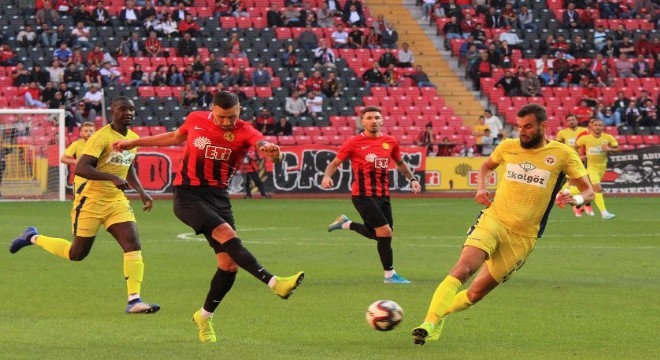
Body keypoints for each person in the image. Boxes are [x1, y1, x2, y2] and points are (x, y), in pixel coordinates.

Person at [111, 91, 304, 343]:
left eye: (232, 117)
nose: (227, 122)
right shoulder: (195, 119)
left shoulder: (246, 130)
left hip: (219, 197)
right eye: (222, 117)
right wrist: (135, 143)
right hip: (188, 194)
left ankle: (204, 316)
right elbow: (174, 137)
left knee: (228, 265)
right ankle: (274, 282)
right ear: (212, 109)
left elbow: (267, 149)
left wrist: (274, 152)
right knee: (227, 235)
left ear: (240, 110)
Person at [411, 103, 595, 345]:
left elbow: (589, 191)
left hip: (524, 237)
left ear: (543, 126)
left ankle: (441, 315)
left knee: (476, 293)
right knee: (463, 269)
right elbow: (487, 166)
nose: (522, 132)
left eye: (528, 126)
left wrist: (577, 198)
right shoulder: (508, 146)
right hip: (494, 218)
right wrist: (480, 187)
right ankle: (429, 322)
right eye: (519, 127)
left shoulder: (562, 154)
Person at [9, 97, 160, 314]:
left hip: (116, 201)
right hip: (90, 200)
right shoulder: (101, 137)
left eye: (131, 109)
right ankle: (32, 237)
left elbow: (129, 167)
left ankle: (134, 300)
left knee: (132, 243)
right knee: (77, 253)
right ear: (112, 112)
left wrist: (142, 192)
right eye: (122, 109)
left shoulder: (134, 138)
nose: (127, 112)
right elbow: (81, 168)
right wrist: (111, 177)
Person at [322, 106, 421, 284]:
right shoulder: (354, 143)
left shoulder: (390, 141)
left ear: (382, 121)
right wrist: (327, 176)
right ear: (363, 122)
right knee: (385, 231)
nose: (373, 121)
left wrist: (412, 179)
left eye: (376, 118)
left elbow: (400, 163)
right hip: (362, 194)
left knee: (383, 235)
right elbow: (335, 163)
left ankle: (347, 224)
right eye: (369, 118)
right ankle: (389, 276)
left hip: (383, 195)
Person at [575, 118, 618, 220]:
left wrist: (609, 149)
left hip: (602, 167)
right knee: (597, 188)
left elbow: (618, 149)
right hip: (591, 167)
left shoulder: (608, 137)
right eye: (596, 125)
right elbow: (575, 147)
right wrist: (579, 156)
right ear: (591, 127)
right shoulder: (585, 138)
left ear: (603, 127)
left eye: (600, 125)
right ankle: (604, 213)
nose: (598, 127)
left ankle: (576, 202)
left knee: (593, 191)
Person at [555, 114, 591, 216]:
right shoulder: (562, 133)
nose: (571, 121)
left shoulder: (584, 131)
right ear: (567, 122)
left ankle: (561, 195)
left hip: (583, 159)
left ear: (577, 120)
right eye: (569, 120)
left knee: (576, 181)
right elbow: (558, 145)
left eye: (573, 119)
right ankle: (570, 200)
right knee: (574, 180)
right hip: (569, 159)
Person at [61, 121, 96, 194]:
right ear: (81, 133)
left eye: (91, 131)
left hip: (96, 180)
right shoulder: (76, 144)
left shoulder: (99, 145)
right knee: (80, 204)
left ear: (95, 132)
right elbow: (63, 159)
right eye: (86, 131)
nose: (88, 133)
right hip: (81, 179)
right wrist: (74, 161)